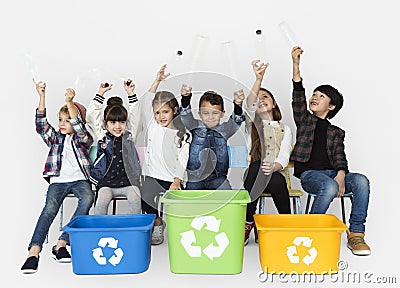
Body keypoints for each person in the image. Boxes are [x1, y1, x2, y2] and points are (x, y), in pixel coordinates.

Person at [290, 46, 371, 256]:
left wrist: (341, 175)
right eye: (314, 94)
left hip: (333, 174)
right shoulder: (305, 120)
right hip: (311, 175)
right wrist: (296, 66)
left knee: (361, 180)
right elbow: (298, 96)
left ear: (331, 106)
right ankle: (311, 232)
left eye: (321, 96)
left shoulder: (336, 132)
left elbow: (339, 157)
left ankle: (356, 234)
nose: (314, 97)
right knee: (328, 186)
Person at [21, 80, 94, 274]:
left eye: (67, 120)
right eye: (60, 120)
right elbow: (41, 124)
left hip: (80, 180)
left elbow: (81, 130)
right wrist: (42, 96)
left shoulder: (82, 139)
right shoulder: (55, 139)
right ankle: (34, 252)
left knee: (87, 198)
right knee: (49, 208)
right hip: (58, 181)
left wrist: (71, 103)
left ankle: (62, 243)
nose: (63, 124)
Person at [243, 60, 293, 245]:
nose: (261, 100)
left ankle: (285, 222)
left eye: (265, 97)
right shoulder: (252, 126)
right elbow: (248, 104)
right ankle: (248, 222)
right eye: (258, 99)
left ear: (273, 104)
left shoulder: (284, 128)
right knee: (257, 166)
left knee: (277, 178)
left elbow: (284, 156)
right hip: (253, 175)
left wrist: (274, 166)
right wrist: (258, 79)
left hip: (273, 174)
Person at [140, 64, 191, 245]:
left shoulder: (183, 133)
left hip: (172, 178)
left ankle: (181, 228)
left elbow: (183, 159)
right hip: (152, 176)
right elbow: (146, 102)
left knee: (181, 201)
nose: (161, 116)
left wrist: (177, 180)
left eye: (165, 111)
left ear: (174, 111)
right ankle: (158, 223)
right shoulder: (153, 127)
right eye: (157, 112)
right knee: (145, 195)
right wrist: (157, 81)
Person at [87, 80, 142, 215]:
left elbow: (136, 118)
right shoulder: (102, 136)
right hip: (107, 182)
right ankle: (100, 230)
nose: (118, 126)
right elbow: (92, 117)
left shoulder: (129, 136)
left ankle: (133, 230)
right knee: (102, 199)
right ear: (106, 123)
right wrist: (100, 93)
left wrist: (131, 93)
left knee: (135, 197)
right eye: (113, 122)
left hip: (128, 181)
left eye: (122, 122)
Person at [179, 82, 245, 190]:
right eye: (206, 113)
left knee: (228, 200)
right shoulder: (194, 126)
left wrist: (238, 104)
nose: (210, 117)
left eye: (215, 113)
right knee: (189, 202)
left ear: (223, 113)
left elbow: (236, 120)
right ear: (199, 113)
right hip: (195, 178)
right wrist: (185, 98)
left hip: (218, 178)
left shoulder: (225, 130)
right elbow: (185, 115)